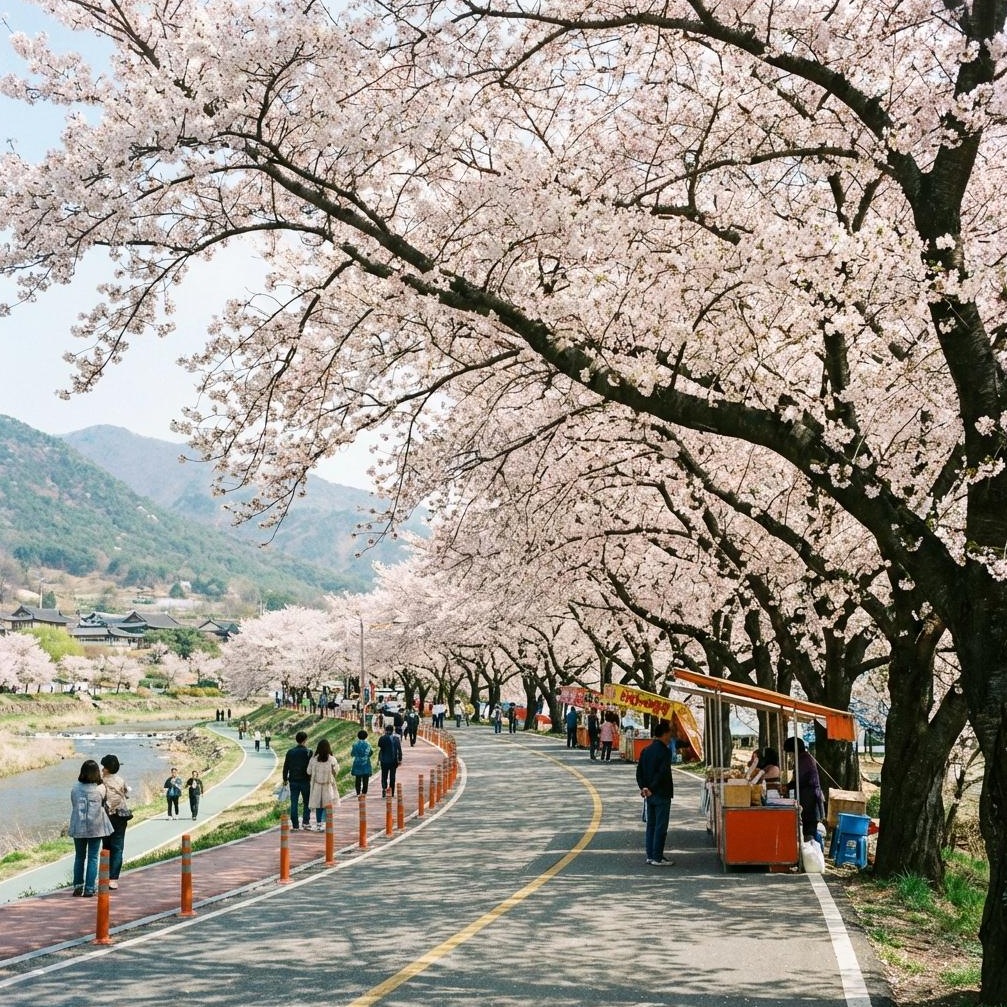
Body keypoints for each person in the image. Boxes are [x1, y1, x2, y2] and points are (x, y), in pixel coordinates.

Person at [69, 759, 113, 896]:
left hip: (78, 826)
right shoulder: (100, 789)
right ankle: (89, 888)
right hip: (96, 827)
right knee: (93, 857)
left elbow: (74, 804)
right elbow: (104, 802)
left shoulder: (75, 788)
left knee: (79, 857)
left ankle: (78, 886)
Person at [636, 720, 675, 866]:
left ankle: (650, 855)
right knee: (661, 826)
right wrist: (652, 788)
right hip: (661, 793)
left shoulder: (646, 750)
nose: (670, 737)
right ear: (664, 734)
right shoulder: (665, 751)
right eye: (669, 734)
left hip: (648, 794)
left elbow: (639, 772)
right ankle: (657, 857)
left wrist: (643, 788)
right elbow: (662, 773)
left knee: (651, 825)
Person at [783, 737, 823, 840]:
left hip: (809, 798)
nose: (790, 756)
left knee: (808, 831)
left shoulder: (804, 760)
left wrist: (787, 786)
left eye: (790, 753)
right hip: (806, 797)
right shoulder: (802, 758)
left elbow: (800, 780)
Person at [100, 754, 130, 890]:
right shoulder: (121, 780)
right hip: (121, 816)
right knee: (118, 848)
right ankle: (113, 879)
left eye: (103, 767)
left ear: (107, 768)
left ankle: (104, 876)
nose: (102, 769)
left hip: (106, 817)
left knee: (106, 847)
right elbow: (127, 794)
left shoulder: (101, 782)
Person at [307, 738, 340, 830]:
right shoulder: (332, 759)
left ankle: (319, 824)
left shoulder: (313, 760)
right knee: (328, 805)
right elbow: (336, 772)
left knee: (318, 806)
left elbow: (308, 771)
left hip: (317, 785)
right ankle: (327, 823)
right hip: (328, 785)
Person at [282, 731, 313, 830]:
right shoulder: (309, 752)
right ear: (305, 740)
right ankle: (306, 822)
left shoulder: (290, 752)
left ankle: (295, 824)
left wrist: (285, 779)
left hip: (293, 781)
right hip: (305, 780)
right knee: (307, 802)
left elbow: (286, 766)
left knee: (294, 802)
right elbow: (311, 767)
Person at [377, 724, 403, 796]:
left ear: (385, 730)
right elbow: (399, 750)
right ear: (392, 731)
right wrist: (400, 759)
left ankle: (384, 788)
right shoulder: (396, 739)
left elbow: (380, 747)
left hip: (384, 760)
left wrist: (378, 759)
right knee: (392, 777)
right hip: (393, 761)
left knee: (384, 776)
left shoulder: (382, 738)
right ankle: (392, 792)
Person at [350, 730, 374, 795]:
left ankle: (358, 792)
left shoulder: (355, 745)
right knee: (365, 779)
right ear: (366, 736)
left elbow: (352, 754)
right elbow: (371, 752)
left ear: (358, 736)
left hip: (357, 763)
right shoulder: (368, 744)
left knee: (358, 778)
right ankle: (364, 792)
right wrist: (367, 756)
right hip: (366, 763)